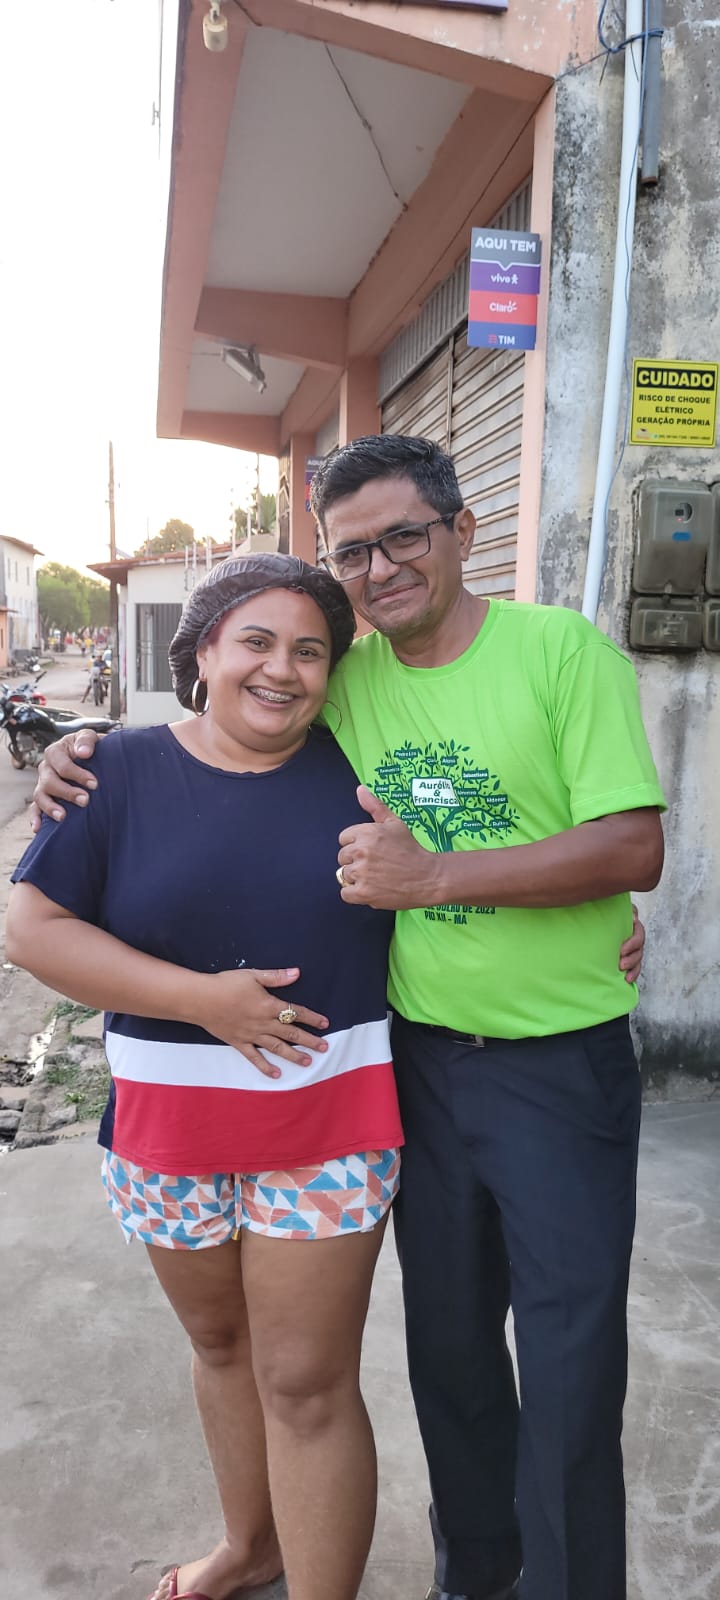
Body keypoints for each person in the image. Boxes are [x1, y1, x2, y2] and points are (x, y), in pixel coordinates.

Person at [30, 436, 659, 1600]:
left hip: (539, 1067)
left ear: (463, 531)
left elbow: (628, 843)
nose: (380, 569)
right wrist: (76, 755)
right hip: (411, 1062)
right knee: (449, 1352)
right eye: (353, 552)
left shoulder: (550, 652)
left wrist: (491, 888)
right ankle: (473, 1576)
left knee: (566, 1359)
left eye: (403, 536)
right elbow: (203, 761)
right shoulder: (338, 687)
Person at [7, 554, 404, 1600]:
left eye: (310, 651)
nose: (282, 669)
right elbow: (32, 930)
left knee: (306, 1382)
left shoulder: (364, 765)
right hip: (168, 1131)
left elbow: (475, 854)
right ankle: (252, 1546)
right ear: (204, 653)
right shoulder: (113, 770)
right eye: (256, 641)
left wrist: (598, 923)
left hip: (328, 1125)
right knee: (222, 1345)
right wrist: (203, 1001)